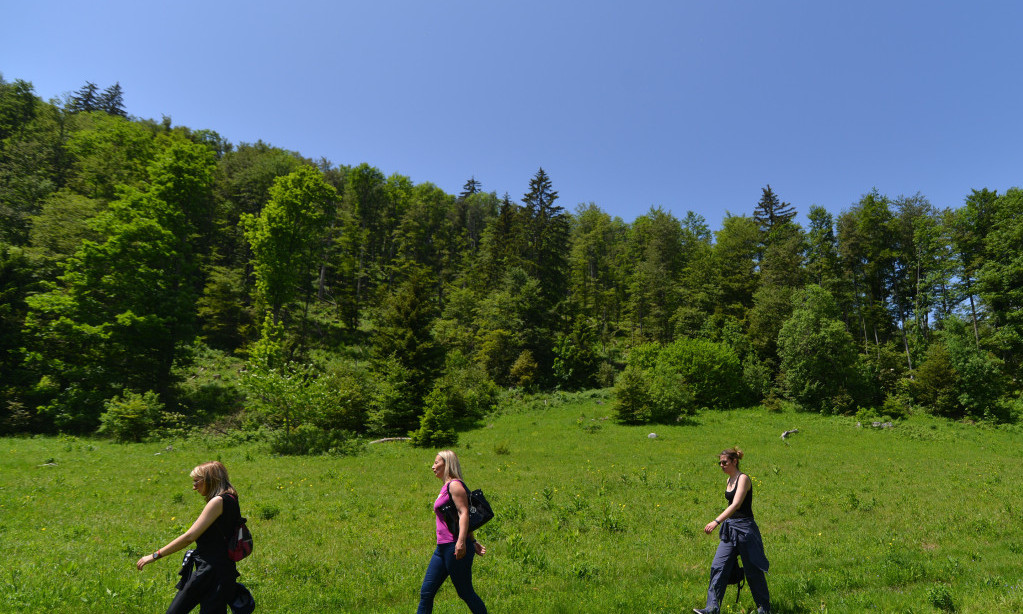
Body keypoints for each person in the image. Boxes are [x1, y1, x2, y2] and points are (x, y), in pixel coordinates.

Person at [136, 461, 249, 614]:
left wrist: (155, 555)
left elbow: (190, 536)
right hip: (221, 570)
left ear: (210, 479)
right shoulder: (231, 499)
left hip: (211, 572)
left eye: (197, 481)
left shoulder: (218, 501)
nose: (194, 486)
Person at [694, 447, 771, 614]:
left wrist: (716, 521)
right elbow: (731, 506)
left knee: (753, 572)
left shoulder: (743, 479)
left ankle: (764, 609)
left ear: (734, 462)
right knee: (718, 566)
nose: (721, 465)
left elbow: (736, 505)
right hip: (730, 530)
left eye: (724, 462)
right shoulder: (729, 480)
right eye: (719, 463)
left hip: (745, 530)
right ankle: (712, 608)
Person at [417, 450, 488, 614]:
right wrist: (473, 540)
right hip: (442, 548)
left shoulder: (455, 485)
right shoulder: (445, 487)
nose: (433, 466)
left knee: (465, 592)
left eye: (436, 463)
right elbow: (455, 518)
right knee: (426, 593)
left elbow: (464, 514)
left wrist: (463, 542)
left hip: (454, 547)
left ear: (447, 464)